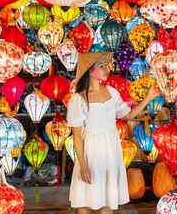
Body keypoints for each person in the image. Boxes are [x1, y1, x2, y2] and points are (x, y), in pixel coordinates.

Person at [66, 52, 162, 214]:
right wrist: (82, 166)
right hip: (91, 152)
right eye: (102, 66)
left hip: (111, 150)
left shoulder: (111, 91)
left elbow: (129, 115)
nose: (107, 69)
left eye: (107, 66)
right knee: (85, 201)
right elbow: (76, 136)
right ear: (90, 70)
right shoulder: (79, 99)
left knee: (107, 201)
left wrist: (148, 97)